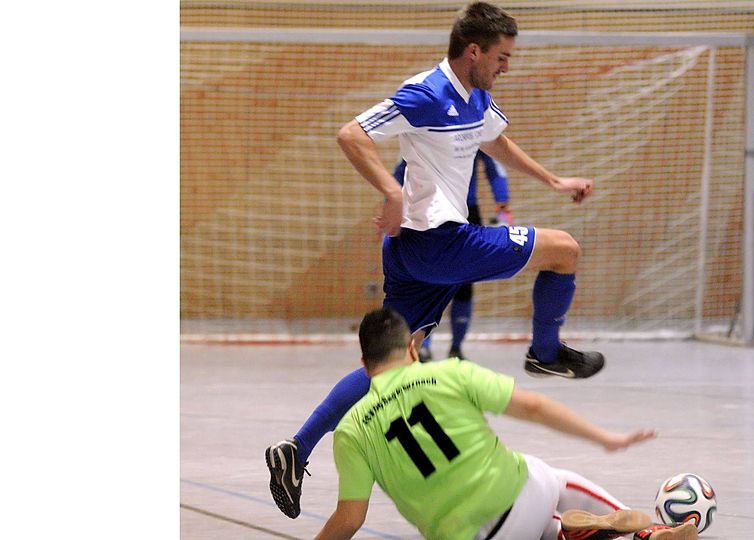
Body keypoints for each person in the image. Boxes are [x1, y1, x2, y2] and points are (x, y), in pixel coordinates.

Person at [267, 0, 606, 520]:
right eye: (501, 57)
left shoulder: (477, 97)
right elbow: (351, 134)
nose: (506, 66)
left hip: (415, 251)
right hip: (439, 243)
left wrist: (555, 181)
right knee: (564, 251)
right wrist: (391, 191)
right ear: (474, 50)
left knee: (395, 360)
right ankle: (544, 351)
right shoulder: (426, 93)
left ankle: (296, 449)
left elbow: (499, 143)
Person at [311, 308, 695, 540]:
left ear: (364, 366)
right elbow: (533, 406)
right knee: (551, 478)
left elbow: (349, 520)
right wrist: (605, 438)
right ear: (412, 348)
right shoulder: (448, 373)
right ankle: (645, 532)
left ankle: (565, 531)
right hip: (523, 499)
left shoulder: (351, 431)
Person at [393, 151, 512, 361]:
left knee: (464, 282)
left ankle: (456, 348)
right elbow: (403, 167)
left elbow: (495, 166)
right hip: (428, 210)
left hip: (466, 210)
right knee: (426, 281)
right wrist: (391, 203)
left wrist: (502, 204)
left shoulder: (476, 124)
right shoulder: (424, 127)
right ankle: (423, 346)